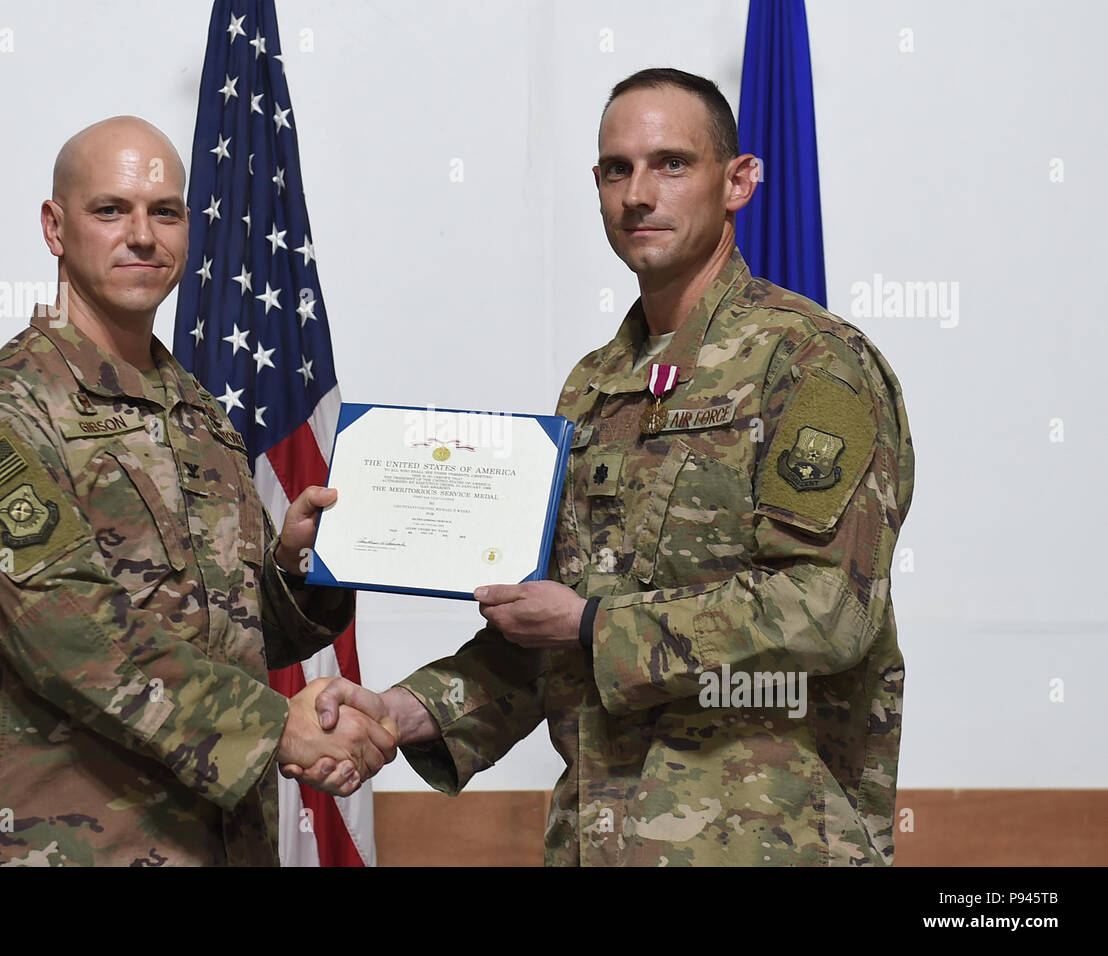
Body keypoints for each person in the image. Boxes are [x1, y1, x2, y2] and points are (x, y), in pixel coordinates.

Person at [295, 68, 915, 866]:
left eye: (672, 163)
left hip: (767, 845)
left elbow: (827, 609)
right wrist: (393, 711)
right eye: (617, 169)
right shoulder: (595, 389)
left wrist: (593, 624)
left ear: (739, 182)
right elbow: (544, 630)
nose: (639, 193)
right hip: (600, 839)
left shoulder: (815, 366)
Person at [0, 116, 396, 867]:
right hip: (64, 846)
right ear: (54, 227)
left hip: (222, 842)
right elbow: (71, 635)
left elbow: (232, 633)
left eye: (164, 211)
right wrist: (272, 727)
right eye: (110, 210)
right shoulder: (0, 416)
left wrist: (290, 569)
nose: (141, 235)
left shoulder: (197, 416)